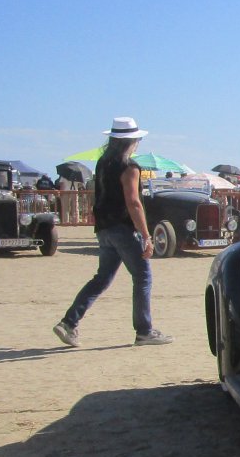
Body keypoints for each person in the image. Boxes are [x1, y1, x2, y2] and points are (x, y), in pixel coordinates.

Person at [53, 117, 173, 347]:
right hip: (122, 228)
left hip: (104, 227)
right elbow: (133, 202)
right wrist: (146, 236)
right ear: (132, 141)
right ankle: (144, 330)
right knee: (142, 276)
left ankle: (69, 322)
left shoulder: (103, 163)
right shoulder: (129, 167)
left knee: (102, 278)